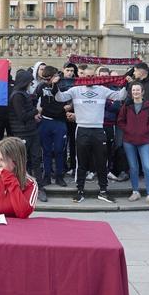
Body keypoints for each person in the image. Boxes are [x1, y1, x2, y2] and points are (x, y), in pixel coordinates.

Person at [54, 73, 129, 203]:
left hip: (99, 129)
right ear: (82, 77)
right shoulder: (75, 90)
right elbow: (59, 98)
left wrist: (126, 83)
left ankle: (103, 191)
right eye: (86, 76)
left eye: (91, 76)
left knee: (102, 162)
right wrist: (55, 85)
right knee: (81, 162)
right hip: (82, 129)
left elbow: (120, 96)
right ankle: (80, 191)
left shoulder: (102, 89)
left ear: (95, 77)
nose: (89, 78)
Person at [117, 82, 149, 206]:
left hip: (144, 141)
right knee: (133, 168)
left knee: (147, 167)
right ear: (131, 92)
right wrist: (128, 129)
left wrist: (144, 129)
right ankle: (135, 192)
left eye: (137, 90)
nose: (135, 92)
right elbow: (120, 121)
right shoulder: (127, 105)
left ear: (142, 92)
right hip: (129, 141)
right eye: (133, 90)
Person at [0, 137, 39, 218]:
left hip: (16, 225)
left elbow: (23, 213)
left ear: (15, 160)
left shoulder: (31, 184)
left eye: (2, 160)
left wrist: (11, 182)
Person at [9, 69, 46, 202]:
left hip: (31, 131)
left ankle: (39, 187)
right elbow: (22, 116)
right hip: (21, 133)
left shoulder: (24, 93)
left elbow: (27, 112)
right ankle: (19, 188)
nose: (31, 84)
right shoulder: (17, 95)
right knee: (21, 161)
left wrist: (34, 116)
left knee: (36, 159)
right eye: (29, 81)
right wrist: (36, 111)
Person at [36, 65, 68, 188]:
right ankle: (47, 176)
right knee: (46, 151)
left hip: (60, 121)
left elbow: (71, 99)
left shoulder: (62, 85)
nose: (46, 81)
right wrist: (36, 112)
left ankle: (59, 176)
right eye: (44, 79)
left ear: (55, 76)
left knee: (59, 150)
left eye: (48, 79)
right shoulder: (41, 86)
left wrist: (69, 107)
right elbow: (34, 99)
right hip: (46, 121)